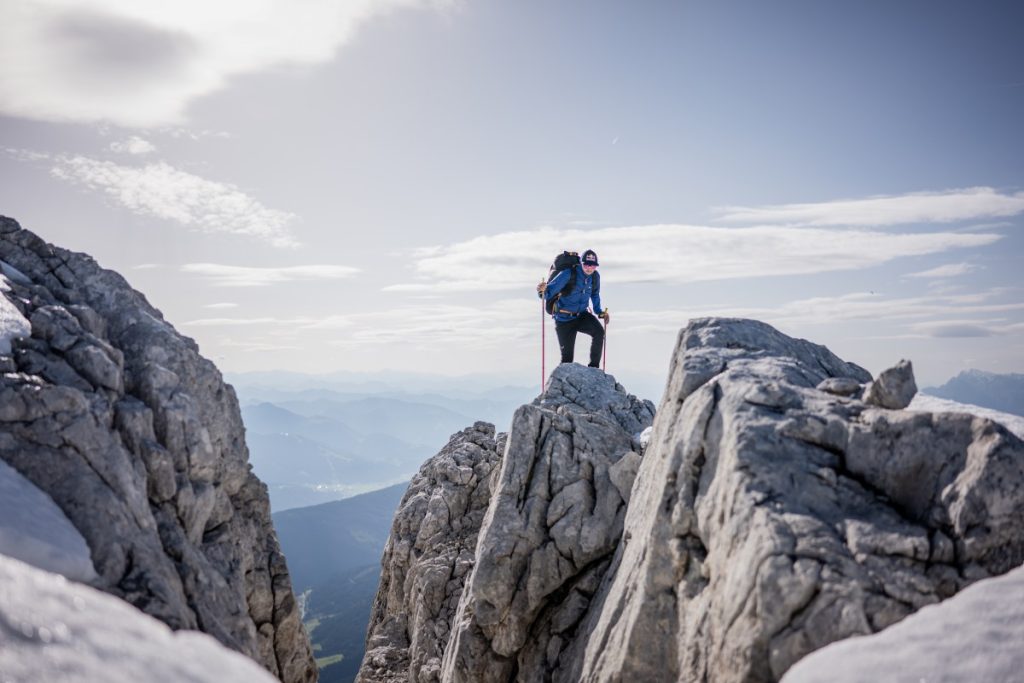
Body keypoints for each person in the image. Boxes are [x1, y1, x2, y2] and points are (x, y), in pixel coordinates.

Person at [536, 249, 610, 367]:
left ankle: (594, 368)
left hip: (581, 315)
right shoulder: (568, 274)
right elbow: (548, 292)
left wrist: (599, 312)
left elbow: (595, 294)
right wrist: (541, 290)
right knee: (567, 360)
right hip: (563, 319)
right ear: (581, 263)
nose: (589, 268)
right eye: (586, 264)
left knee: (599, 333)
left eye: (593, 265)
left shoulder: (595, 277)